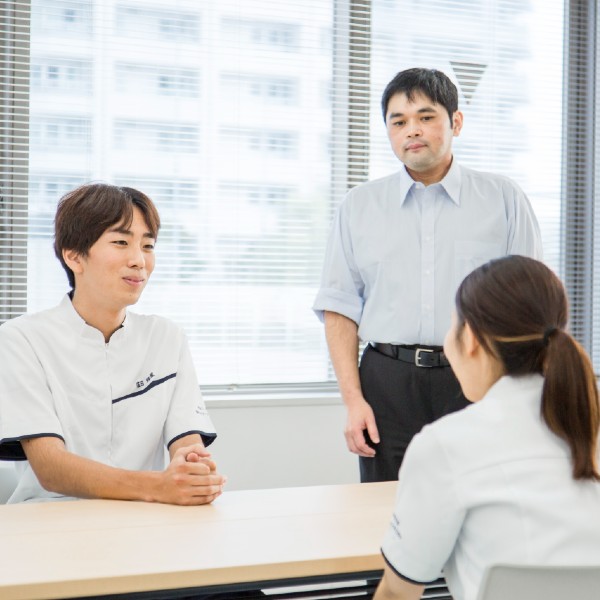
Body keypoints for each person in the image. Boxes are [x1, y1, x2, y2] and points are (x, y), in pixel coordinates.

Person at [312, 67, 543, 482]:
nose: (411, 130)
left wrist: (517, 399)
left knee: (481, 504)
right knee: (385, 512)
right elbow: (339, 308)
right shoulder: (358, 207)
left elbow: (532, 307)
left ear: (455, 121)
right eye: (398, 121)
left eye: (425, 116)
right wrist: (353, 402)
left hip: (479, 378)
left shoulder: (503, 199)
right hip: (387, 381)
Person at [374, 255, 600, 600]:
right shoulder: (586, 424)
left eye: (452, 327)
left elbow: (398, 593)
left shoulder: (446, 445)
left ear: (472, 339)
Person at [0, 183, 225, 505]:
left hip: (142, 518)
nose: (139, 261)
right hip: (48, 519)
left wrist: (193, 471)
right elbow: (51, 468)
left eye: (148, 246)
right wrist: (157, 486)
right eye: (121, 242)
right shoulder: (21, 338)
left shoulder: (166, 337)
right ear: (74, 256)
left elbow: (187, 441)